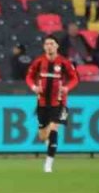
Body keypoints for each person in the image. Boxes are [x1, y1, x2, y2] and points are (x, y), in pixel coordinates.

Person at [26, 36, 78, 173]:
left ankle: (48, 164)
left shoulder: (64, 63)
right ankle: (48, 141)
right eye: (47, 44)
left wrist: (67, 88)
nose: (49, 46)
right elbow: (29, 77)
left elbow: (74, 78)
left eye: (52, 43)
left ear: (57, 46)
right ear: (44, 46)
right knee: (43, 136)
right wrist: (34, 87)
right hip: (42, 103)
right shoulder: (39, 62)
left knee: (54, 128)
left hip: (59, 102)